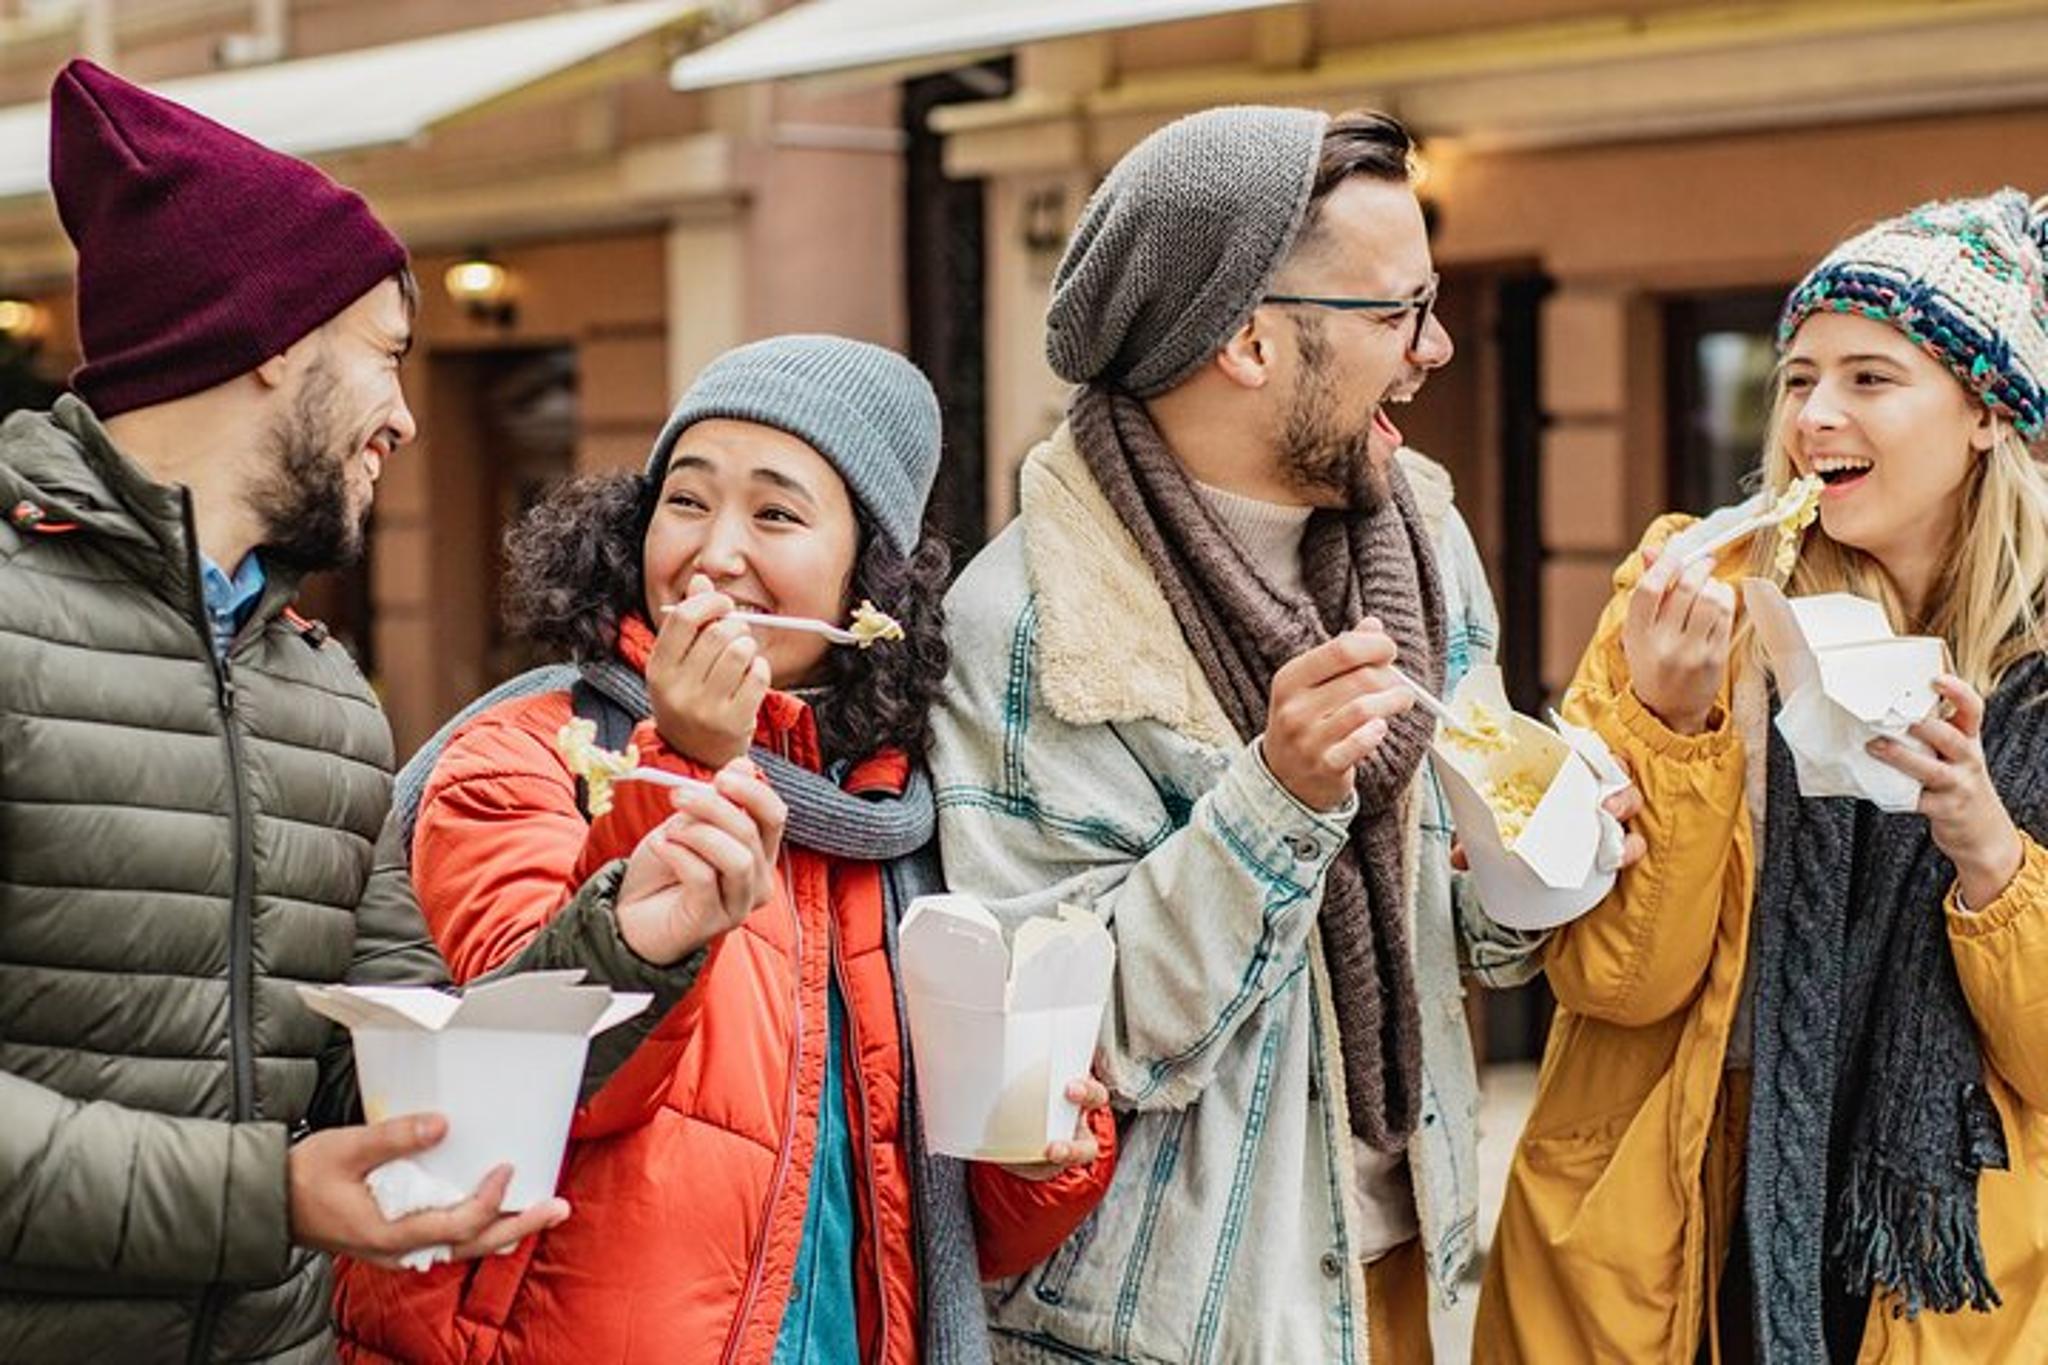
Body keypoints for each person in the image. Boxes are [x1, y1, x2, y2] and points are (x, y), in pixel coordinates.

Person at [0, 62, 733, 1363]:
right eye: (387, 356)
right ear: (271, 340)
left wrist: (629, 936)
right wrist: (263, 1196)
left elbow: (402, 1069)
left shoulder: (328, 699)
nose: (403, 416)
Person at [928, 106, 1613, 1363]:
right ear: (1245, 340)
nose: (1433, 348)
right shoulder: (1028, 622)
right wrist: (1275, 801)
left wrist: (1542, 854)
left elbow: (1466, 939)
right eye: (1398, 311)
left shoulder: (1424, 539)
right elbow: (1059, 1040)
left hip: (1405, 1271)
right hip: (1162, 1329)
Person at [332, 335, 1117, 1365]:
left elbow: (936, 1233)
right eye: (686, 501)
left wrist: (1039, 1158)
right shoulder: (524, 754)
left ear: (867, 587)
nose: (713, 553)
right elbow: (525, 1069)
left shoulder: (906, 821)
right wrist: (688, 761)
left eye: (776, 514)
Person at [1475, 190, 2048, 1363]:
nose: (1812, 414)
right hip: (1671, 1236)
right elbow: (1613, 984)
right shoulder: (1692, 595)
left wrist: (1985, 848)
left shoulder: (2032, 674)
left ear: (1987, 414)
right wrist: (1672, 720)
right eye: (1796, 377)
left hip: (1940, 1266)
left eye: (1868, 377)